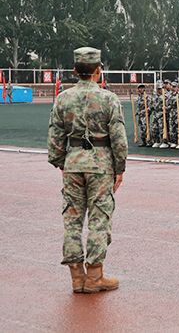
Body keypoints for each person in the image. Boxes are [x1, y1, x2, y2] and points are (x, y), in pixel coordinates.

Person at [47, 47, 127, 294]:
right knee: (98, 219)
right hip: (101, 165)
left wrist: (62, 163)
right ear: (98, 71)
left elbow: (55, 138)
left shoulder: (63, 98)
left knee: (72, 220)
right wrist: (120, 168)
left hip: (73, 163)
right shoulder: (109, 99)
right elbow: (119, 139)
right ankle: (94, 277)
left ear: (75, 71)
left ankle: (76, 278)